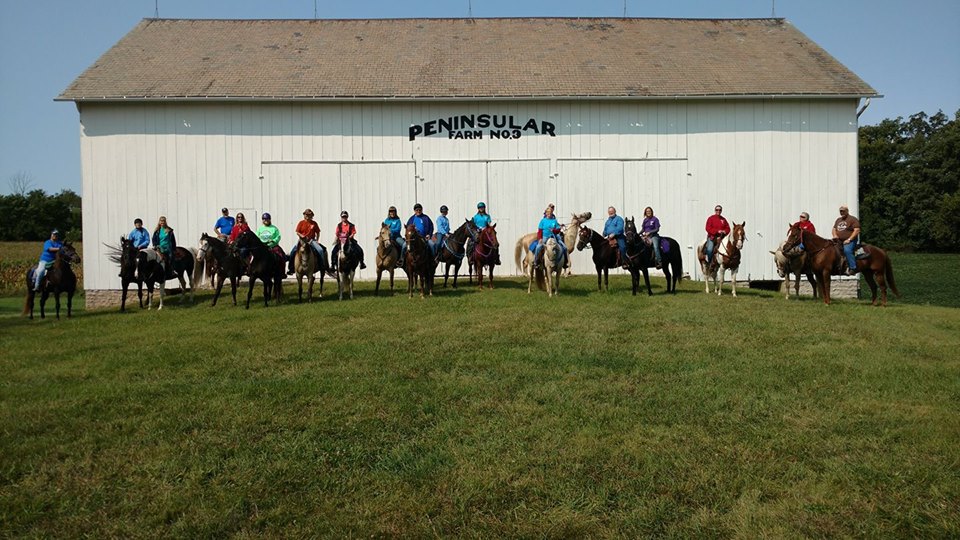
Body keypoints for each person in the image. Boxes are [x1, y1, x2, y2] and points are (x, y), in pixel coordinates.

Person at [286, 208, 327, 275]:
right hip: (302, 241)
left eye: (309, 215)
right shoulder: (301, 223)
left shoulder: (314, 223)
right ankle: (291, 268)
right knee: (293, 251)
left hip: (311, 240)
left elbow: (318, 232)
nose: (307, 216)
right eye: (306, 214)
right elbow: (297, 232)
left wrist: (317, 240)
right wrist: (301, 236)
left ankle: (322, 266)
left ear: (312, 215)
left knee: (320, 250)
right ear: (304, 215)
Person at [530, 203, 566, 268]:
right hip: (545, 236)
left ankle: (563, 262)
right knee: (538, 247)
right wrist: (540, 238)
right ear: (546, 213)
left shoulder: (554, 220)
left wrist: (555, 230)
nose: (549, 214)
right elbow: (540, 230)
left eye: (550, 212)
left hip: (553, 236)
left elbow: (558, 230)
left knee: (562, 246)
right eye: (548, 212)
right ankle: (536, 262)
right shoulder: (543, 221)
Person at [832, 205, 861, 275]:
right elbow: (834, 229)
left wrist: (849, 239)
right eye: (841, 211)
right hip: (839, 240)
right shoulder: (838, 220)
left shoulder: (852, 219)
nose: (842, 213)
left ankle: (853, 268)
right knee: (830, 249)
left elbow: (857, 230)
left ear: (847, 211)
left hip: (850, 240)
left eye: (843, 211)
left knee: (847, 250)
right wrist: (835, 235)